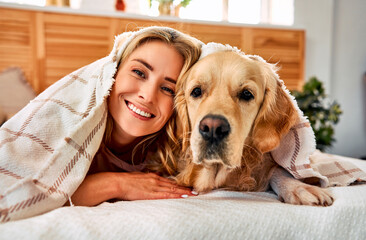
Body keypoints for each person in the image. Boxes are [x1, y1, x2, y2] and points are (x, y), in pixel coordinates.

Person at [69, 27, 202, 206]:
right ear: (113, 72)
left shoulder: (173, 154)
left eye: (168, 89)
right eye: (139, 73)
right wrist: (116, 184)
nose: (148, 96)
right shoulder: (67, 125)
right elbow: (32, 197)